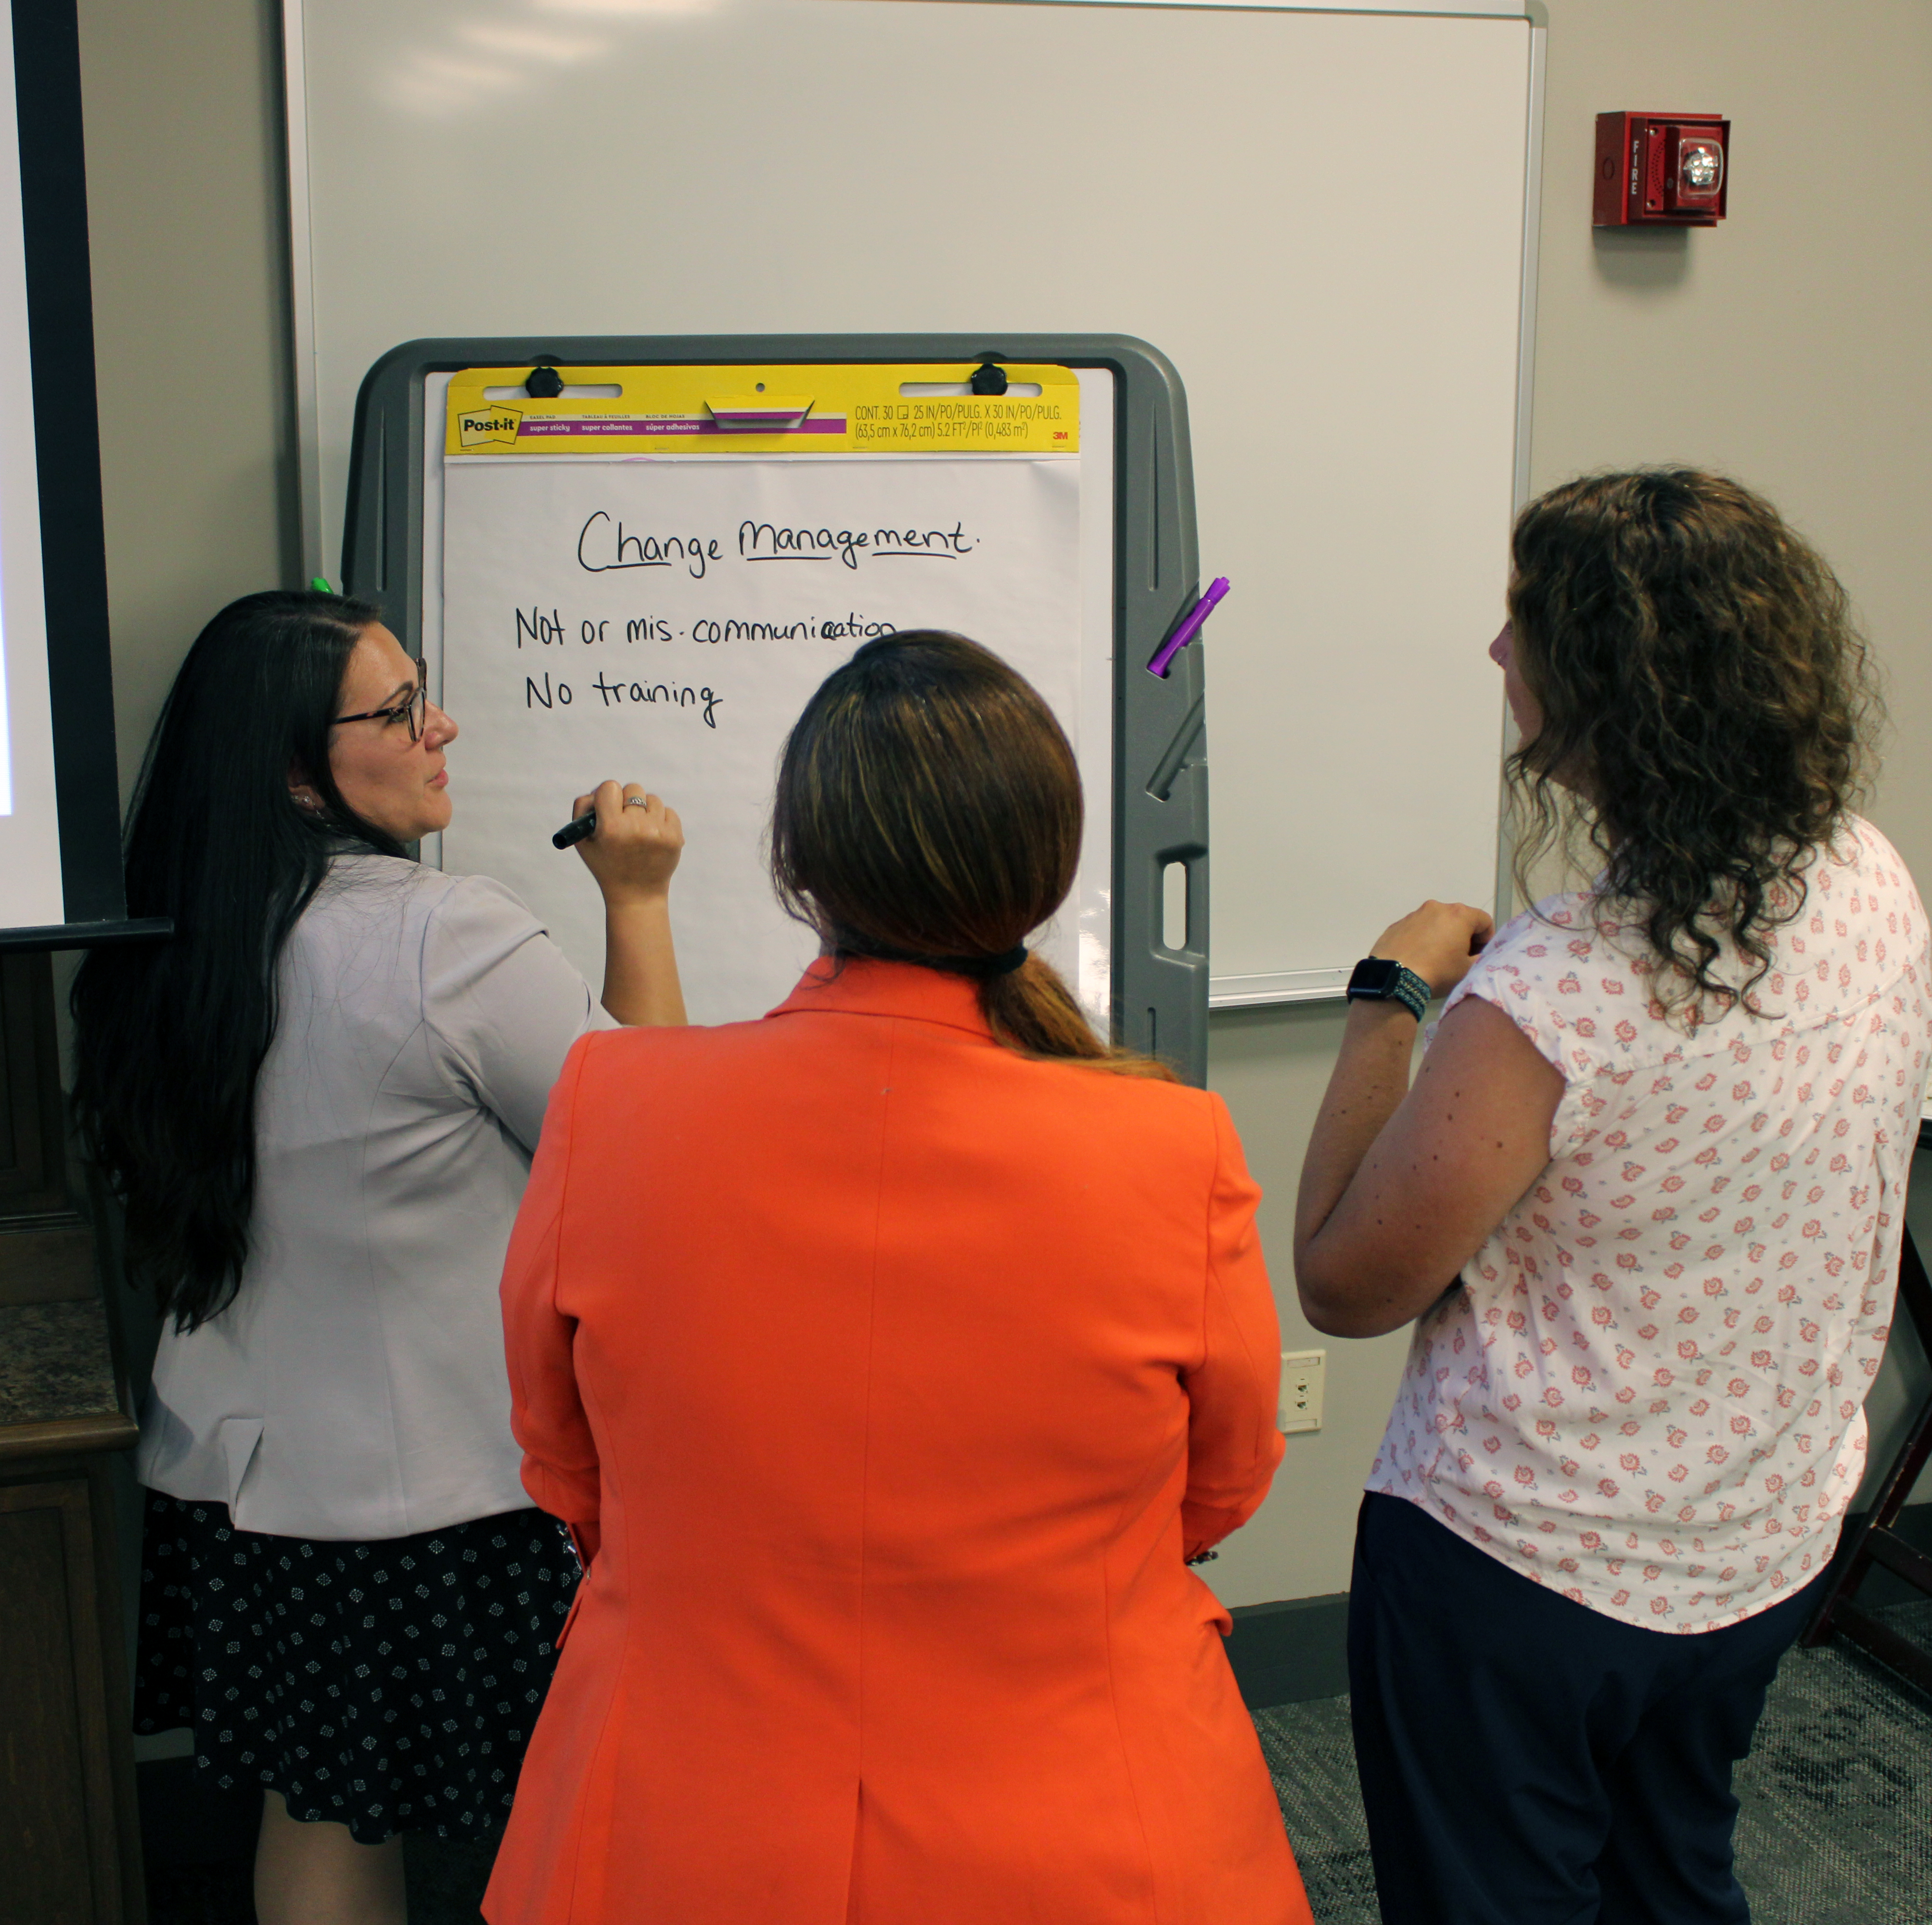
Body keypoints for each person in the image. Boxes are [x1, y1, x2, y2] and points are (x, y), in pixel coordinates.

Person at [486, 631, 1313, 1925]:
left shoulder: (612, 1102)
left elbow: (564, 1461)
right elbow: (1222, 1484)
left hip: (683, 1818)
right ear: (1046, 867)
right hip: (1089, 1831)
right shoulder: (1169, 1145)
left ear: (796, 866)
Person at [1294, 469, 1930, 1925]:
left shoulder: (1551, 995)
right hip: (1761, 1543)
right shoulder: (1869, 877)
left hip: (1528, 1578)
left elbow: (1343, 1282)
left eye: (1524, 627)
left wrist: (1386, 1001)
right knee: (1670, 1877)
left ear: (1609, 695)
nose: (1496, 654)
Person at [69, 589, 687, 1925]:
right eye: (401, 711)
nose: (439, 726)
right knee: (582, 1799)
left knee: (321, 1811)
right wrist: (635, 899)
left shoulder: (162, 950)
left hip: (236, 1483)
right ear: (301, 775)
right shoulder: (442, 937)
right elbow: (648, 1157)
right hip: (442, 1501)